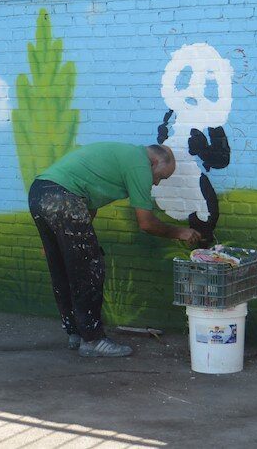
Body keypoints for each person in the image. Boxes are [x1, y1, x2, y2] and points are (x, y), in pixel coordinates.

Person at [28, 142, 202, 358]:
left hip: (40, 193)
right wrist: (179, 232)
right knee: (89, 271)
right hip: (63, 199)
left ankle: (76, 333)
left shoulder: (122, 155)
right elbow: (146, 223)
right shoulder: (139, 164)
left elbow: (87, 206)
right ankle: (92, 340)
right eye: (160, 177)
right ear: (155, 162)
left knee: (63, 269)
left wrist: (60, 242)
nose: (155, 182)